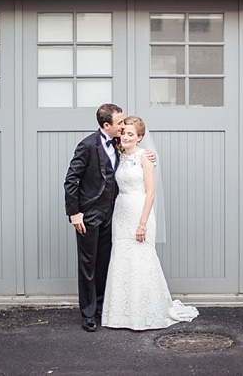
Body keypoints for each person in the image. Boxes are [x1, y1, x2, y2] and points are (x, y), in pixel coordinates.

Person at [63, 104, 156, 332]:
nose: (123, 126)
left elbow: (135, 156)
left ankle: (102, 307)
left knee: (104, 262)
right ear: (107, 125)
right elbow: (71, 180)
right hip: (88, 215)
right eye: (119, 123)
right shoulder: (87, 145)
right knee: (88, 264)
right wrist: (74, 213)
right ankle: (87, 314)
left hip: (113, 215)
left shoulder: (119, 143)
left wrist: (148, 154)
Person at [102, 116, 198, 331]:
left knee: (141, 261)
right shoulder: (119, 155)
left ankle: (145, 313)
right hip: (121, 212)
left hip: (140, 211)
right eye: (124, 132)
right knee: (122, 260)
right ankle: (122, 314)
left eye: (131, 134)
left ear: (140, 137)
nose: (126, 136)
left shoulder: (145, 157)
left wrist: (142, 223)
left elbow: (151, 192)